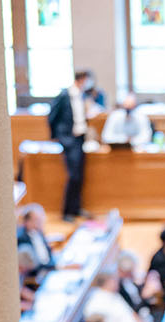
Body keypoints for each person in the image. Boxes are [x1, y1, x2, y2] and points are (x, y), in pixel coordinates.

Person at [49, 69, 104, 219]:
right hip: (69, 140)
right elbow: (52, 116)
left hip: (80, 139)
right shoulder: (64, 95)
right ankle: (67, 211)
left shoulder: (82, 95)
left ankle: (76, 208)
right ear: (81, 79)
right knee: (73, 176)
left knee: (80, 176)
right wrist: (59, 137)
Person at [84, 269, 148, 322]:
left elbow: (133, 314)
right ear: (108, 282)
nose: (118, 282)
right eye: (114, 280)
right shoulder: (94, 306)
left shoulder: (115, 294)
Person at [16, 204, 56, 283]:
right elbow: (38, 266)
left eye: (42, 219)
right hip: (39, 277)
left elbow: (46, 255)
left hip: (49, 268)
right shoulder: (23, 240)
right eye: (37, 220)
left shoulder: (37, 232)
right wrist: (60, 267)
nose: (41, 223)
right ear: (27, 222)